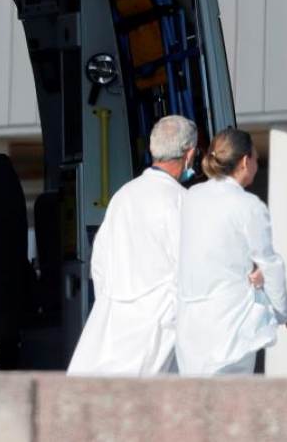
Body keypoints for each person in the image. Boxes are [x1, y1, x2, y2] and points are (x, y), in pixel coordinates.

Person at [67, 115, 198, 376]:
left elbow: (100, 263)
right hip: (159, 326)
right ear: (190, 153)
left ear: (152, 149)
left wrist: (113, 298)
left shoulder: (123, 195)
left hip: (114, 321)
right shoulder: (183, 202)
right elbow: (190, 271)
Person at [177, 128, 287, 375]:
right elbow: (271, 266)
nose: (257, 165)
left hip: (191, 331)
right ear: (245, 161)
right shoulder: (248, 206)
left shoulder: (192, 197)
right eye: (257, 160)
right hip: (231, 329)